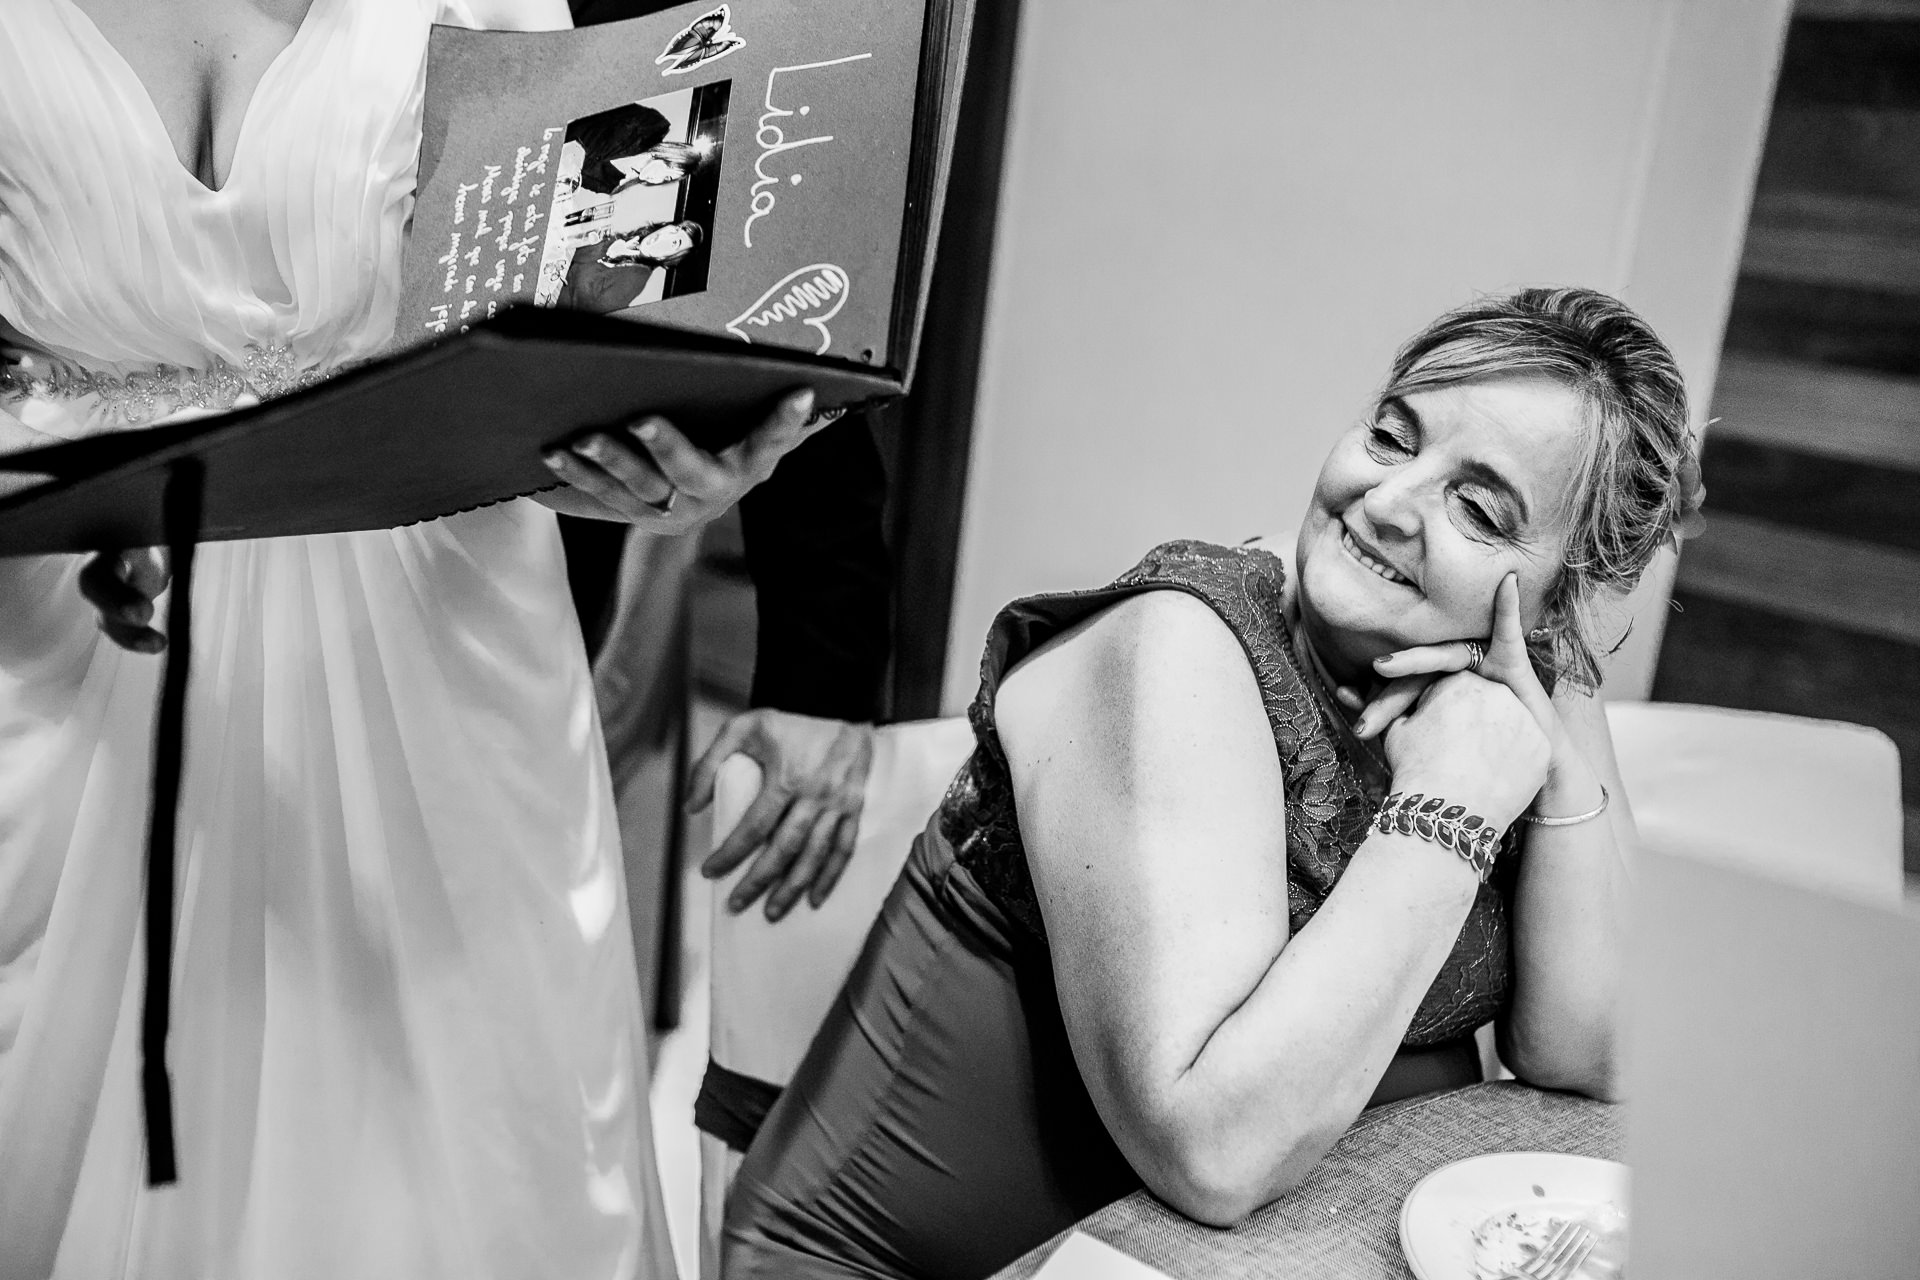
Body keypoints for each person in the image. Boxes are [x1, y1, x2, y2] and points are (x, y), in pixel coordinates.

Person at [0, 1, 823, 1276]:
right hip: (68, 673)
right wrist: (65, 471)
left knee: (459, 1170)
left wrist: (652, 461)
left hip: (444, 676)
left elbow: (560, 330)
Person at [721, 287, 1705, 1279]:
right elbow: (1214, 1151)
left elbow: (1584, 1050)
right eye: (1392, 435)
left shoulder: (1491, 686)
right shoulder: (1178, 647)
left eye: (1479, 509)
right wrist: (1447, 808)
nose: (1390, 501)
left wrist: (1557, 707)